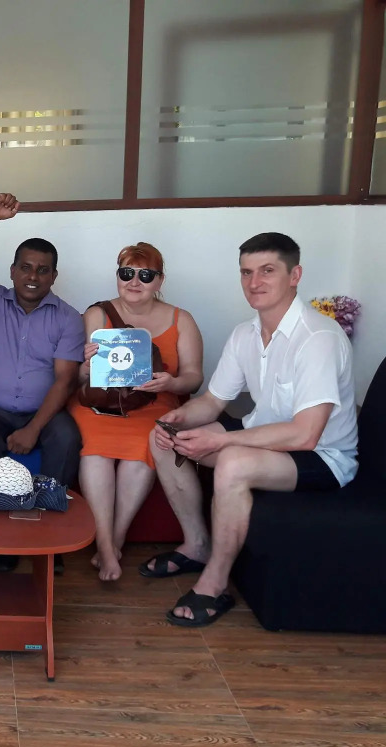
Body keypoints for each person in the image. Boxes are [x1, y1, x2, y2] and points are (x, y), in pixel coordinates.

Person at [145, 233, 358, 627]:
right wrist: (179, 418)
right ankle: (197, 545)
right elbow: (213, 401)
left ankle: (215, 584)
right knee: (163, 439)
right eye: (246, 272)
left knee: (233, 462)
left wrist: (221, 440)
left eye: (267, 271)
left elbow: (305, 435)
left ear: (295, 275)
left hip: (322, 456)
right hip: (262, 434)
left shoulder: (319, 338)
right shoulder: (245, 333)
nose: (254, 282)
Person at [0, 193, 85, 572]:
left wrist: (33, 429)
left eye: (43, 270)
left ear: (54, 276)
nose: (33, 276)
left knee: (67, 437)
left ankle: (50, 540)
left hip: (44, 412)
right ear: (12, 271)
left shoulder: (68, 318)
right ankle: (1, 535)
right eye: (25, 267)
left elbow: (64, 381)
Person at [69, 244, 203, 581]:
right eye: (127, 273)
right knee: (94, 450)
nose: (134, 281)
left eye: (145, 275)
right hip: (100, 404)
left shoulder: (181, 319)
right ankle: (104, 545)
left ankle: (114, 541)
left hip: (153, 403)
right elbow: (80, 377)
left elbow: (194, 377)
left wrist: (172, 383)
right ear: (117, 275)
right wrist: (85, 367)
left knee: (146, 444)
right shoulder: (97, 314)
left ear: (160, 280)